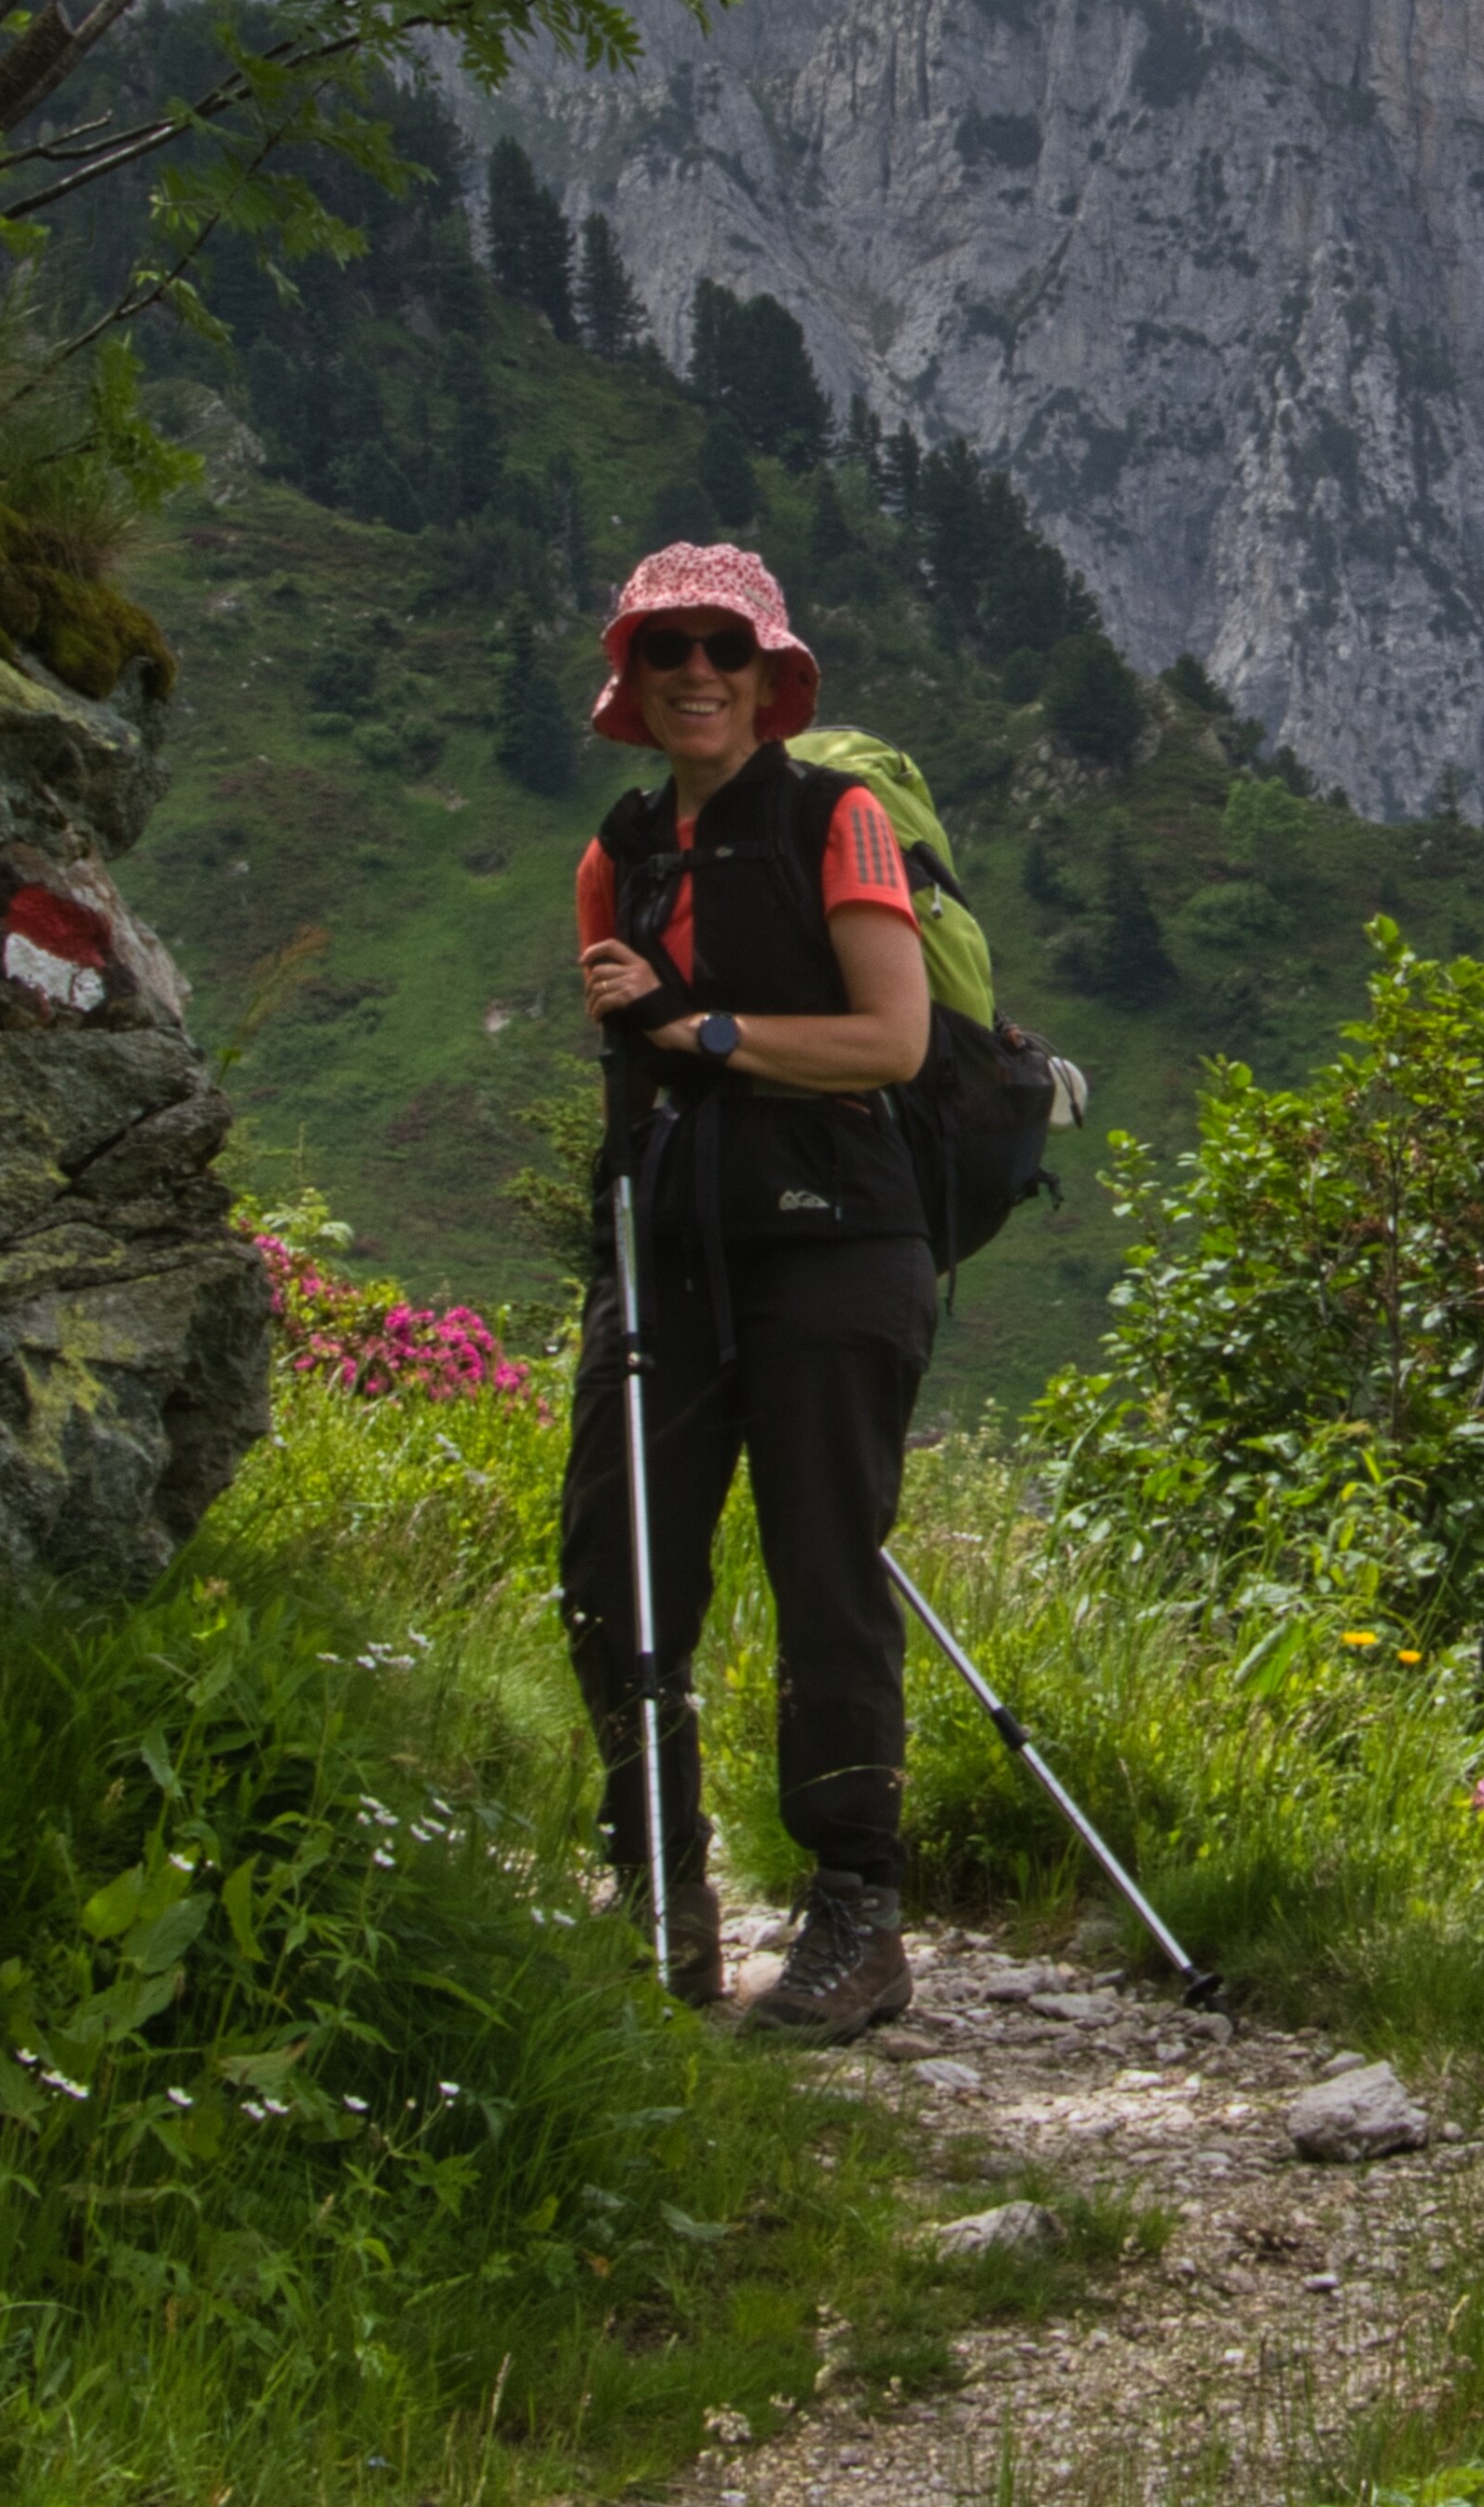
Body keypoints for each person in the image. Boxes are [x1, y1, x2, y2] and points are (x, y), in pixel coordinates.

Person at [562, 539, 935, 2040]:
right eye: (668, 649)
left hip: (836, 1241)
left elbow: (894, 1042)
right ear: (634, 679)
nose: (697, 671)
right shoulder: (619, 850)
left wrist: (704, 1030)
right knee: (615, 1558)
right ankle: (660, 1885)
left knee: (824, 1568)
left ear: (771, 676)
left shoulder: (840, 820)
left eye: (727, 647)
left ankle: (856, 1912)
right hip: (672, 1246)